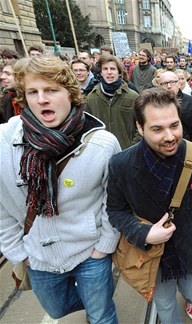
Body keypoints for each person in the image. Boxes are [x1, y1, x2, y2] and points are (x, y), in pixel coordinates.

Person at [0, 55, 120, 323]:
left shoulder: (102, 143)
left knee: (101, 314)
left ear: (70, 93)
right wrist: (19, 254)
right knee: (57, 310)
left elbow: (113, 200)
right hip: (38, 257)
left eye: (51, 90)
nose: (42, 99)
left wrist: (104, 246)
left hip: (91, 253)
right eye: (33, 92)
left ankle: (98, 301)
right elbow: (2, 205)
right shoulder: (4, 143)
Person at [107, 87, 192, 323]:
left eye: (174, 125)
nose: (169, 136)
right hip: (152, 256)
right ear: (139, 127)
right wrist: (144, 233)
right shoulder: (121, 165)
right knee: (164, 303)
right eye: (157, 129)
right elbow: (116, 210)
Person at [86, 54, 139, 149]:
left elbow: (141, 126)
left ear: (119, 72)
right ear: (101, 72)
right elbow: (87, 128)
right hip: (100, 153)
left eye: (112, 69)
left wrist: (133, 148)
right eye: (105, 69)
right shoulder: (91, 98)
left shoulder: (132, 97)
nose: (109, 72)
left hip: (126, 153)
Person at [159, 71, 192, 152]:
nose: (169, 86)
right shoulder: (155, 105)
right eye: (165, 83)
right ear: (160, 86)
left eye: (172, 82)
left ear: (179, 84)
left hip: (189, 151)